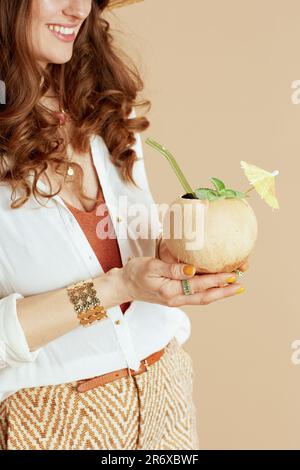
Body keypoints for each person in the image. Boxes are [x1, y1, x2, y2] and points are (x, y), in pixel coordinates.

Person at [0, 0, 248, 450]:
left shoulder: (105, 111)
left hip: (164, 401)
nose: (77, 9)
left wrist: (169, 259)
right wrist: (117, 288)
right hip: (52, 423)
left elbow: (131, 252)